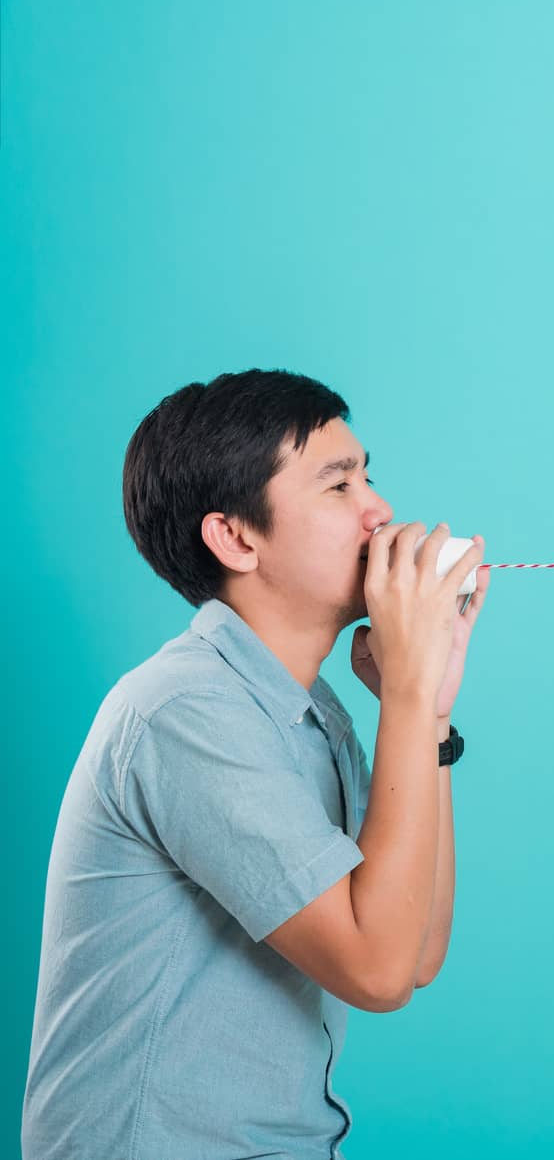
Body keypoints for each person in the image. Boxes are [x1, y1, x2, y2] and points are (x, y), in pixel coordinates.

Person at [22, 368, 491, 1160]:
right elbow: (375, 972)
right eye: (339, 486)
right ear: (236, 537)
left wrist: (429, 710)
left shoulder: (313, 715)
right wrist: (407, 697)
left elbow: (414, 955)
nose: (379, 509)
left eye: (369, 476)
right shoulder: (185, 713)